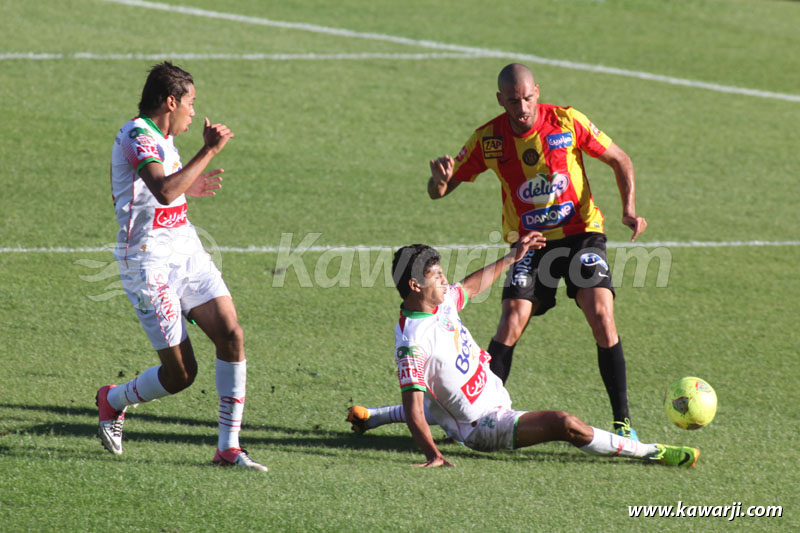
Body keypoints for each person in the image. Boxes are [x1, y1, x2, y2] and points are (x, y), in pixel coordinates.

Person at [426, 62, 647, 439]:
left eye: (528, 98)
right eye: (513, 101)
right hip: (530, 243)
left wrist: (629, 209)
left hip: (581, 234)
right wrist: (439, 181)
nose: (522, 107)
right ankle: (480, 417)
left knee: (601, 314)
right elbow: (439, 192)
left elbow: (620, 159)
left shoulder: (566, 121)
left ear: (537, 92)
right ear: (500, 100)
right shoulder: (488, 139)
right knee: (511, 318)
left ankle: (623, 424)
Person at [350, 242, 698, 468]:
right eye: (436, 275)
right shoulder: (412, 342)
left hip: (478, 395)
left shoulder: (439, 303)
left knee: (437, 405)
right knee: (564, 424)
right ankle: (650, 452)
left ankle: (372, 417)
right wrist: (434, 456)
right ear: (415, 286)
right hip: (483, 424)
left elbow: (469, 287)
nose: (444, 280)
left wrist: (512, 257)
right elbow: (413, 408)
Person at [96, 61, 267, 471]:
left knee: (231, 333)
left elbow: (166, 190)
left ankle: (228, 448)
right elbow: (163, 190)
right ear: (170, 102)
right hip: (148, 263)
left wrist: (190, 184)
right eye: (190, 103)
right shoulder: (137, 136)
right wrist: (208, 151)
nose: (194, 111)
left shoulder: (165, 139)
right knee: (181, 375)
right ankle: (113, 399)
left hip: (185, 249)